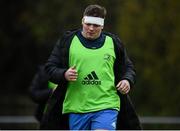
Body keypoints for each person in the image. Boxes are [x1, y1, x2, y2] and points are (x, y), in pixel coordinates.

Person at [41, 4, 142, 130]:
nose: (91, 28)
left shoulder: (113, 43)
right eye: (88, 24)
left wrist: (127, 80)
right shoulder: (68, 41)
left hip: (107, 105)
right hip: (76, 107)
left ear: (102, 25)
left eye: (96, 25)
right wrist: (64, 74)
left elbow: (128, 68)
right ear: (82, 21)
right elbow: (50, 67)